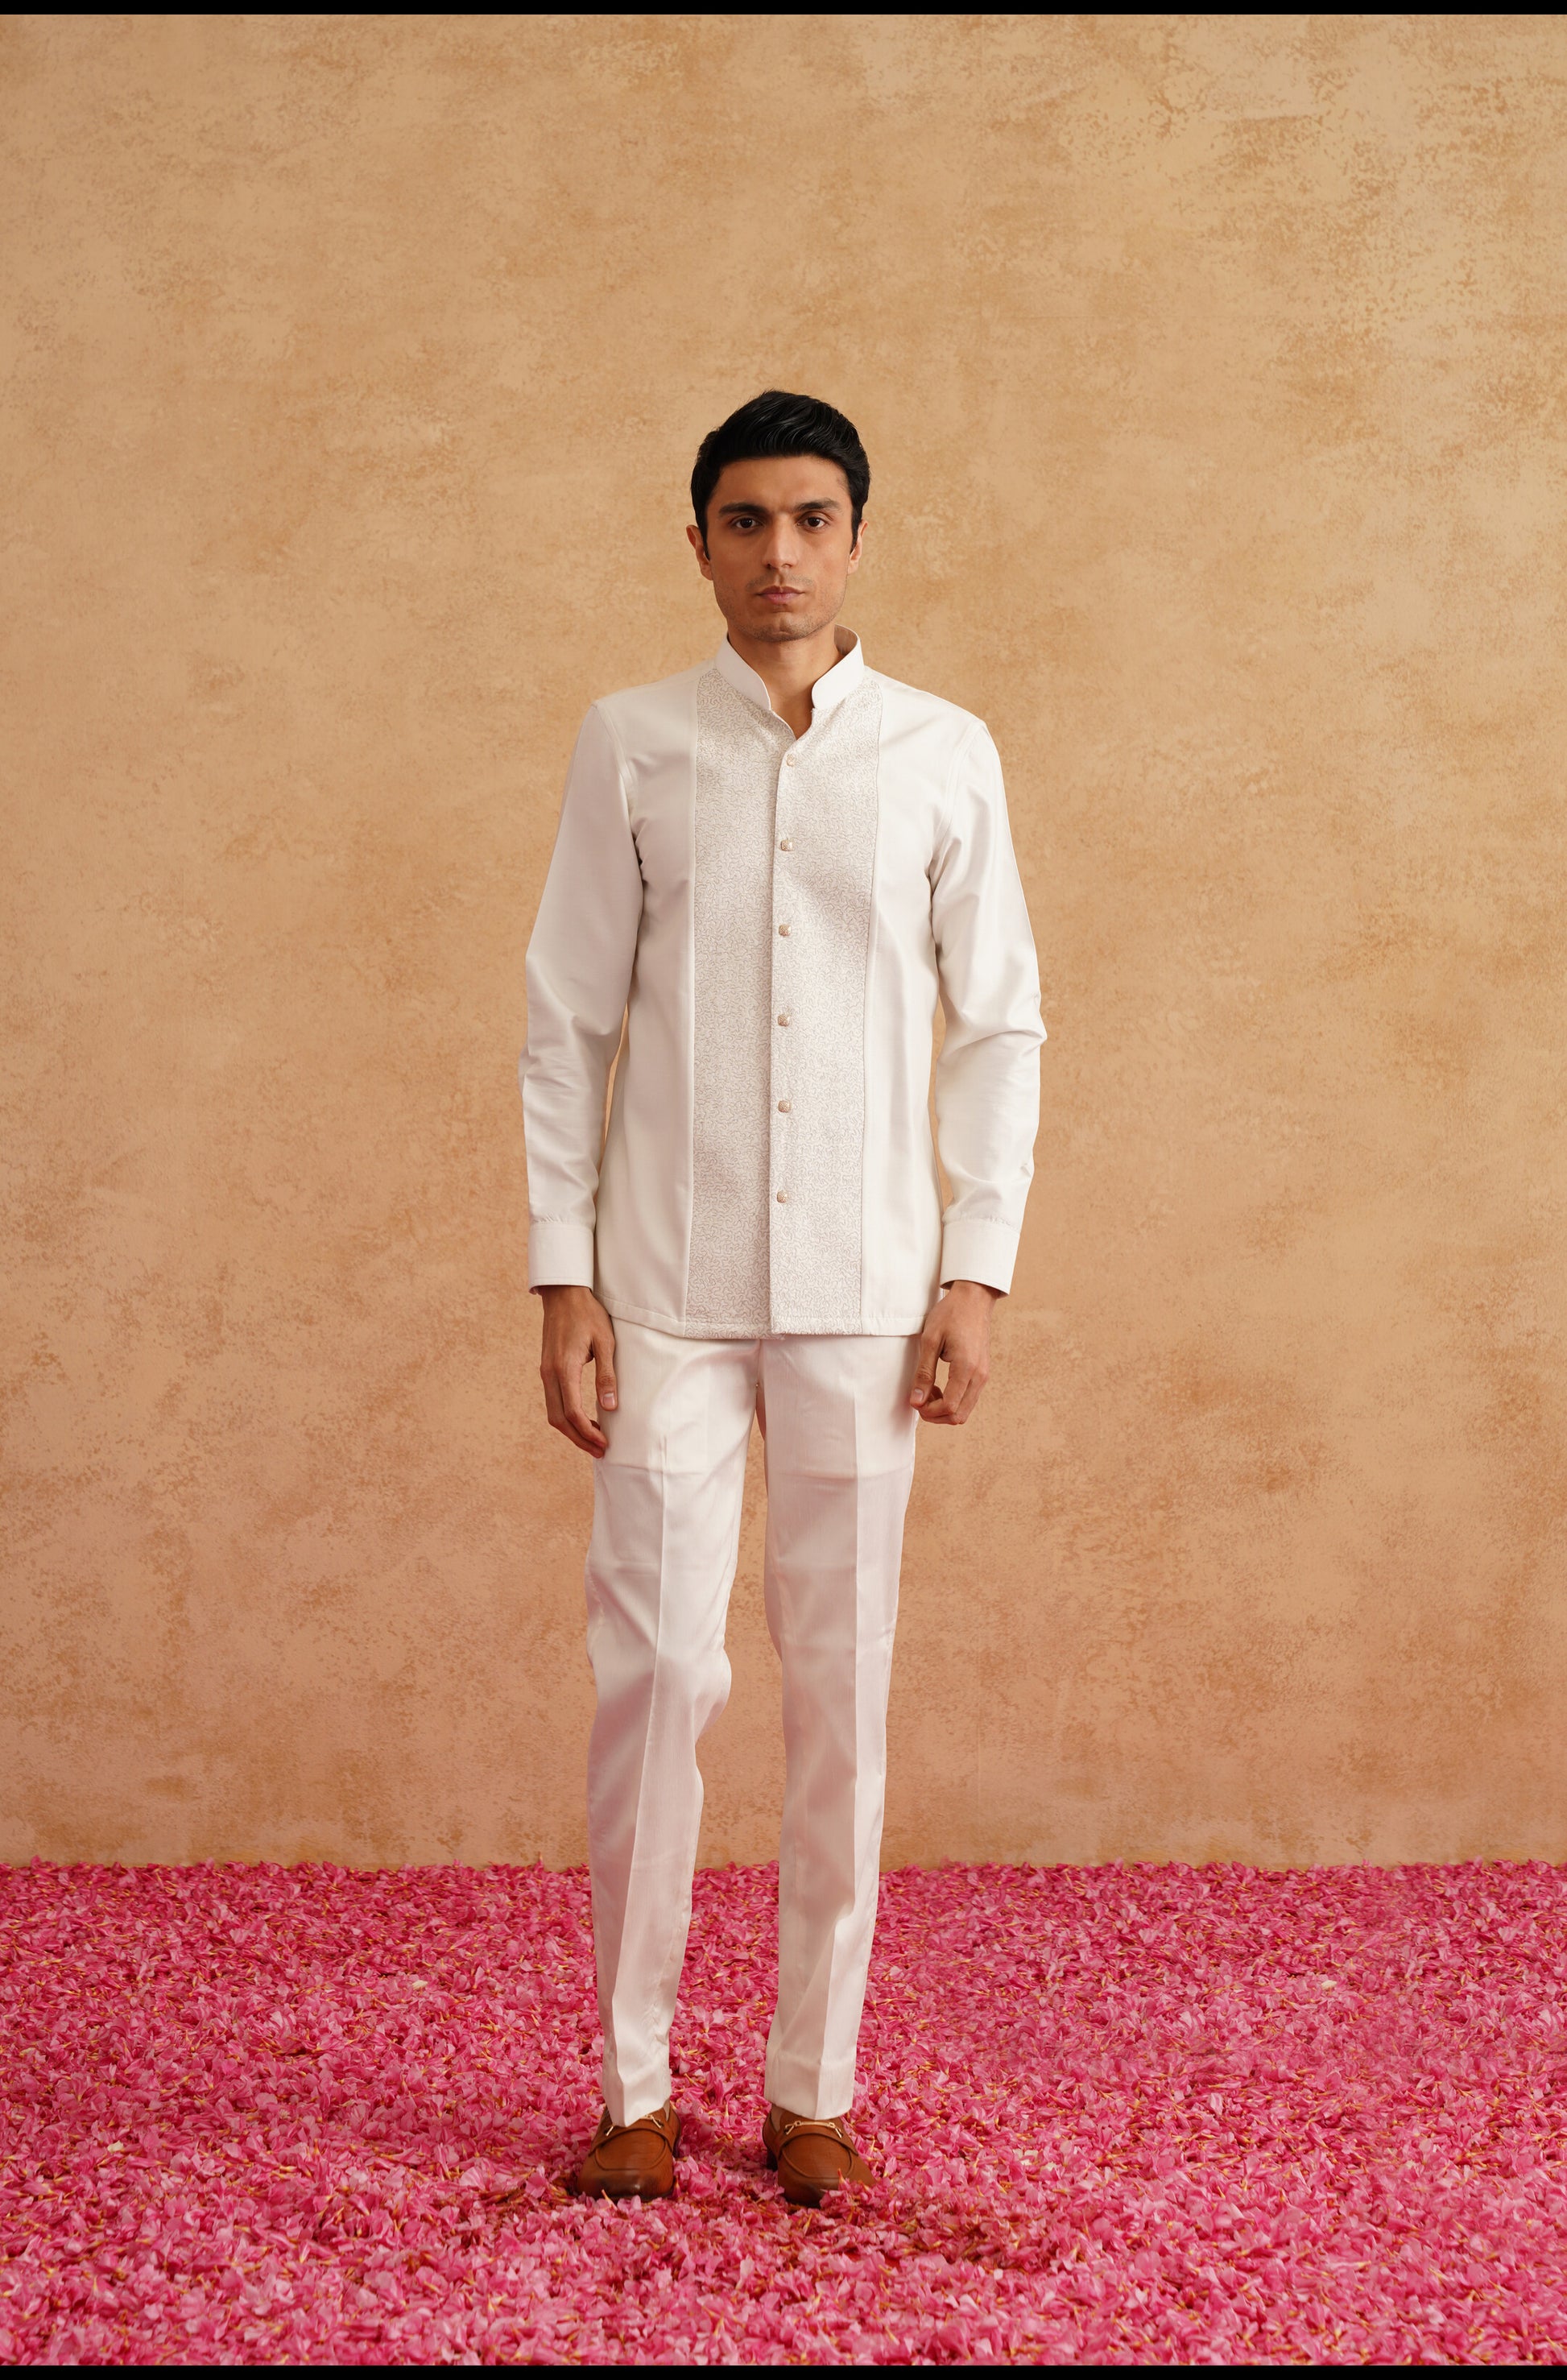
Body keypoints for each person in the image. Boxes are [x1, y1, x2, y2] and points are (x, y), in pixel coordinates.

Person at [520, 390, 1044, 2207]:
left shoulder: (941, 754)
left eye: (811, 518)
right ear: (699, 546)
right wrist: (562, 1270)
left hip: (866, 1290)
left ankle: (812, 2090)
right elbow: (567, 1019)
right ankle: (633, 2086)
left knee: (842, 1686)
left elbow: (999, 1022)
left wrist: (974, 1266)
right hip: (662, 1288)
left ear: (856, 538)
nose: (779, 553)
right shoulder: (632, 743)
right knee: (655, 1675)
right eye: (744, 520)